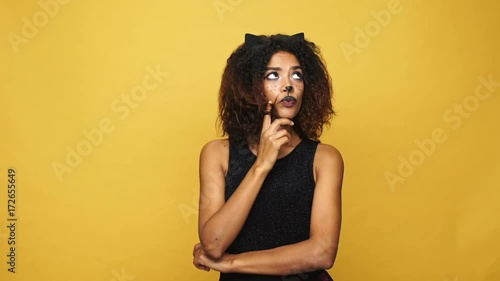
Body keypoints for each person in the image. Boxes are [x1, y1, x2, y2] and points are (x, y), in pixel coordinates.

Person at [192, 32, 344, 281]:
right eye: (273, 75)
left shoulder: (324, 159)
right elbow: (213, 244)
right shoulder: (217, 154)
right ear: (250, 87)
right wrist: (261, 165)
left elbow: (322, 253)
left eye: (297, 75)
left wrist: (232, 263)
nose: (288, 85)